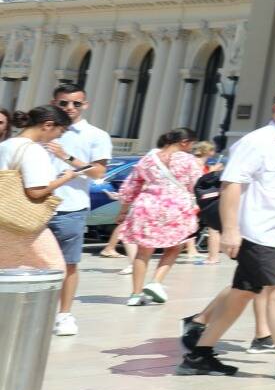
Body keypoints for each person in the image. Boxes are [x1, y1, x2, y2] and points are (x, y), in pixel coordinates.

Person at [177, 85, 275, 380]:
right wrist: (231, 231)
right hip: (255, 232)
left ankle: (199, 355)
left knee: (242, 294)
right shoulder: (256, 142)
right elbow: (231, 185)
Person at [47, 83, 110, 337]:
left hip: (70, 206)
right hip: (33, 206)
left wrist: (67, 157)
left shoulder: (95, 135)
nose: (70, 108)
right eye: (64, 103)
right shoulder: (43, 130)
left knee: (68, 264)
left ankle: (64, 314)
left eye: (76, 103)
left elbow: (98, 172)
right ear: (54, 104)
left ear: (85, 105)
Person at [117, 128, 202, 307]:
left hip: (146, 205)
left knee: (143, 251)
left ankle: (135, 294)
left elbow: (132, 185)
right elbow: (197, 184)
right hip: (176, 207)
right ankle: (156, 282)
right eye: (192, 145)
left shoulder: (148, 158)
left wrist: (124, 209)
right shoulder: (189, 160)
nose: (192, 148)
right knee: (174, 248)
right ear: (184, 142)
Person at [0, 106, 85, 271]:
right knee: (54, 267)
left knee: (8, 269)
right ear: (47, 125)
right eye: (61, 131)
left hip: (3, 218)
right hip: (22, 222)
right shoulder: (33, 150)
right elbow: (35, 191)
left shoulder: (6, 145)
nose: (59, 136)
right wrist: (66, 178)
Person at [192, 144, 224, 267]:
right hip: (198, 199)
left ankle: (212, 256)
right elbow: (199, 180)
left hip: (203, 199)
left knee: (212, 227)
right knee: (212, 227)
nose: (214, 152)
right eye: (212, 149)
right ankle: (210, 256)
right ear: (207, 151)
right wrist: (213, 171)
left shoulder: (202, 163)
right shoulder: (198, 162)